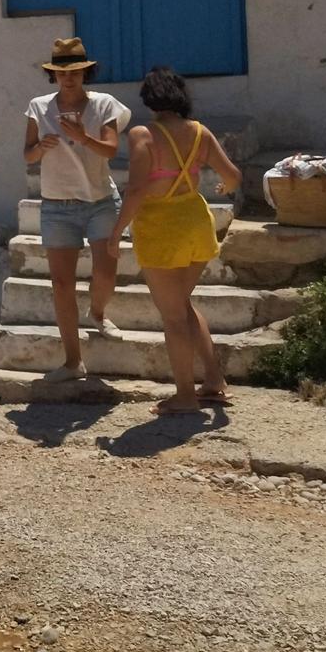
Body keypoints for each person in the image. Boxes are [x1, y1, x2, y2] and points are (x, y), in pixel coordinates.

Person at [112, 67, 244, 414]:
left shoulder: (143, 135)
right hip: (196, 224)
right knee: (182, 305)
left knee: (172, 316)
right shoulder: (200, 133)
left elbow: (137, 189)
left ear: (149, 99)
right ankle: (214, 380)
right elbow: (233, 175)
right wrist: (224, 189)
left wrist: (116, 233)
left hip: (161, 230)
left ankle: (185, 395)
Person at [23, 37, 132, 379]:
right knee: (61, 284)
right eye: (61, 72)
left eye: (75, 72)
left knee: (106, 271)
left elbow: (111, 150)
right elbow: (27, 155)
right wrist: (41, 146)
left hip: (100, 200)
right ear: (53, 75)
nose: (68, 79)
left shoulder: (104, 104)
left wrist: (83, 137)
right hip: (57, 204)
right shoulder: (38, 107)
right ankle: (73, 361)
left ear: (86, 73)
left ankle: (98, 313)